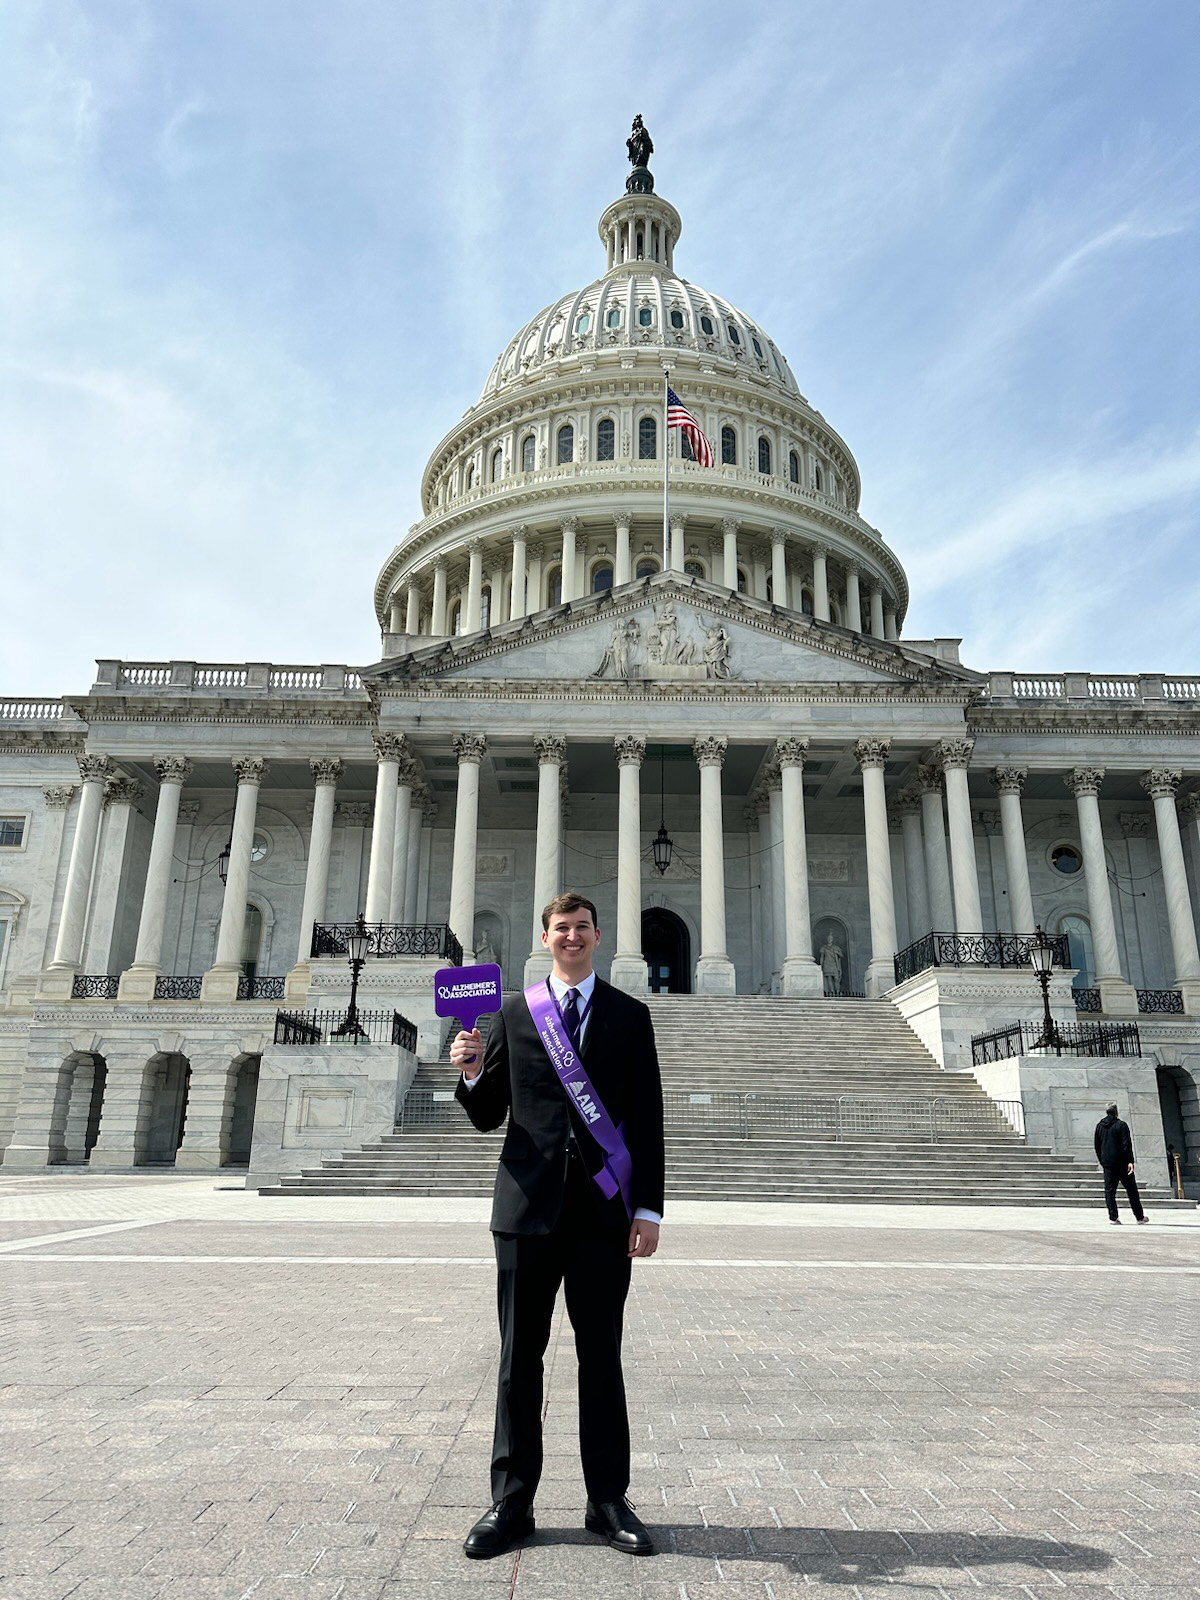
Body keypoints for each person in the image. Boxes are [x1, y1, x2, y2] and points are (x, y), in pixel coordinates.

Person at [451, 891, 665, 1559]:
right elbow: (488, 1115)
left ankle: (607, 1500)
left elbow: (648, 1119)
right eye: (560, 929)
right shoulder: (515, 1014)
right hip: (525, 1211)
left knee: (602, 1358)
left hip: (603, 1214)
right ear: (544, 938)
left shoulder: (631, 1017)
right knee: (519, 1361)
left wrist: (649, 1208)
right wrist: (467, 1072)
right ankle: (510, 1501)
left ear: (598, 937)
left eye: (580, 928)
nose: (571, 938)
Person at [1093, 1101, 1148, 1224]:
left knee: (1110, 1192)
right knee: (1132, 1191)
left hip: (1108, 1164)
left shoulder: (1099, 1126)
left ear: (1107, 1112)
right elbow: (1126, 1144)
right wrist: (1130, 1161)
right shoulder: (1121, 1125)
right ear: (1116, 1112)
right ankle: (1139, 1217)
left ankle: (1113, 1217)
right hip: (1122, 1163)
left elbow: (1097, 1145)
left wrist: (1102, 1160)